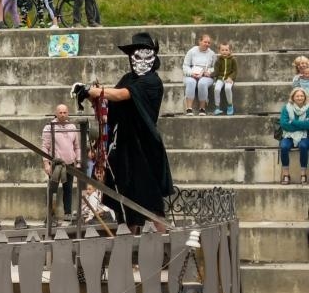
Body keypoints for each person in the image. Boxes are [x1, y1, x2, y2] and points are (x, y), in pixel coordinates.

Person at [86, 31, 174, 232]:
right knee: (125, 200)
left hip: (145, 146)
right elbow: (110, 100)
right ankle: (131, 248)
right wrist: (94, 96)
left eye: (145, 54)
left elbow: (121, 95)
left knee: (151, 200)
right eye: (136, 54)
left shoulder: (152, 82)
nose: (141, 60)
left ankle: (167, 243)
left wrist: (96, 91)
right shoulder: (128, 78)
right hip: (124, 146)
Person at [41, 103, 80, 221]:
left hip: (69, 164)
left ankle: (67, 214)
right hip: (56, 164)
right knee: (52, 190)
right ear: (56, 113)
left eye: (65, 112)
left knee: (68, 190)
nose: (63, 115)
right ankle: (50, 215)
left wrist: (78, 162)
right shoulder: (49, 127)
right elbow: (45, 147)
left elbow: (77, 146)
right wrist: (46, 163)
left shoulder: (72, 127)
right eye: (60, 112)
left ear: (68, 113)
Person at [279, 87, 309, 185]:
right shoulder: (286, 108)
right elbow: (284, 124)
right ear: (293, 97)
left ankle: (303, 173)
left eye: (301, 96)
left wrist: (293, 122)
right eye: (297, 96)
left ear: (305, 97)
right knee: (283, 147)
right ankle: (286, 174)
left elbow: (308, 125)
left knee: (304, 146)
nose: (299, 98)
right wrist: (301, 125)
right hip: (288, 136)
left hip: (304, 136)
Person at [182, 34, 217, 116]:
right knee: (191, 82)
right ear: (200, 41)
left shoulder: (212, 54)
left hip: (206, 76)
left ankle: (202, 108)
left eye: (209, 43)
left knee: (202, 83)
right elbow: (185, 65)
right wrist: (191, 73)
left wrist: (208, 72)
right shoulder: (192, 51)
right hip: (192, 74)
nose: (207, 44)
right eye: (205, 42)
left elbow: (215, 68)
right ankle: (189, 108)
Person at [213, 42, 238, 116]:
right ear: (219, 51)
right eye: (222, 50)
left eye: (226, 50)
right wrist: (210, 75)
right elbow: (216, 72)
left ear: (230, 51)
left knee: (227, 88)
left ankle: (230, 105)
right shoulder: (218, 60)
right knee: (217, 89)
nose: (224, 51)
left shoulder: (233, 60)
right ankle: (217, 107)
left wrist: (231, 78)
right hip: (220, 79)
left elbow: (235, 71)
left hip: (229, 79)